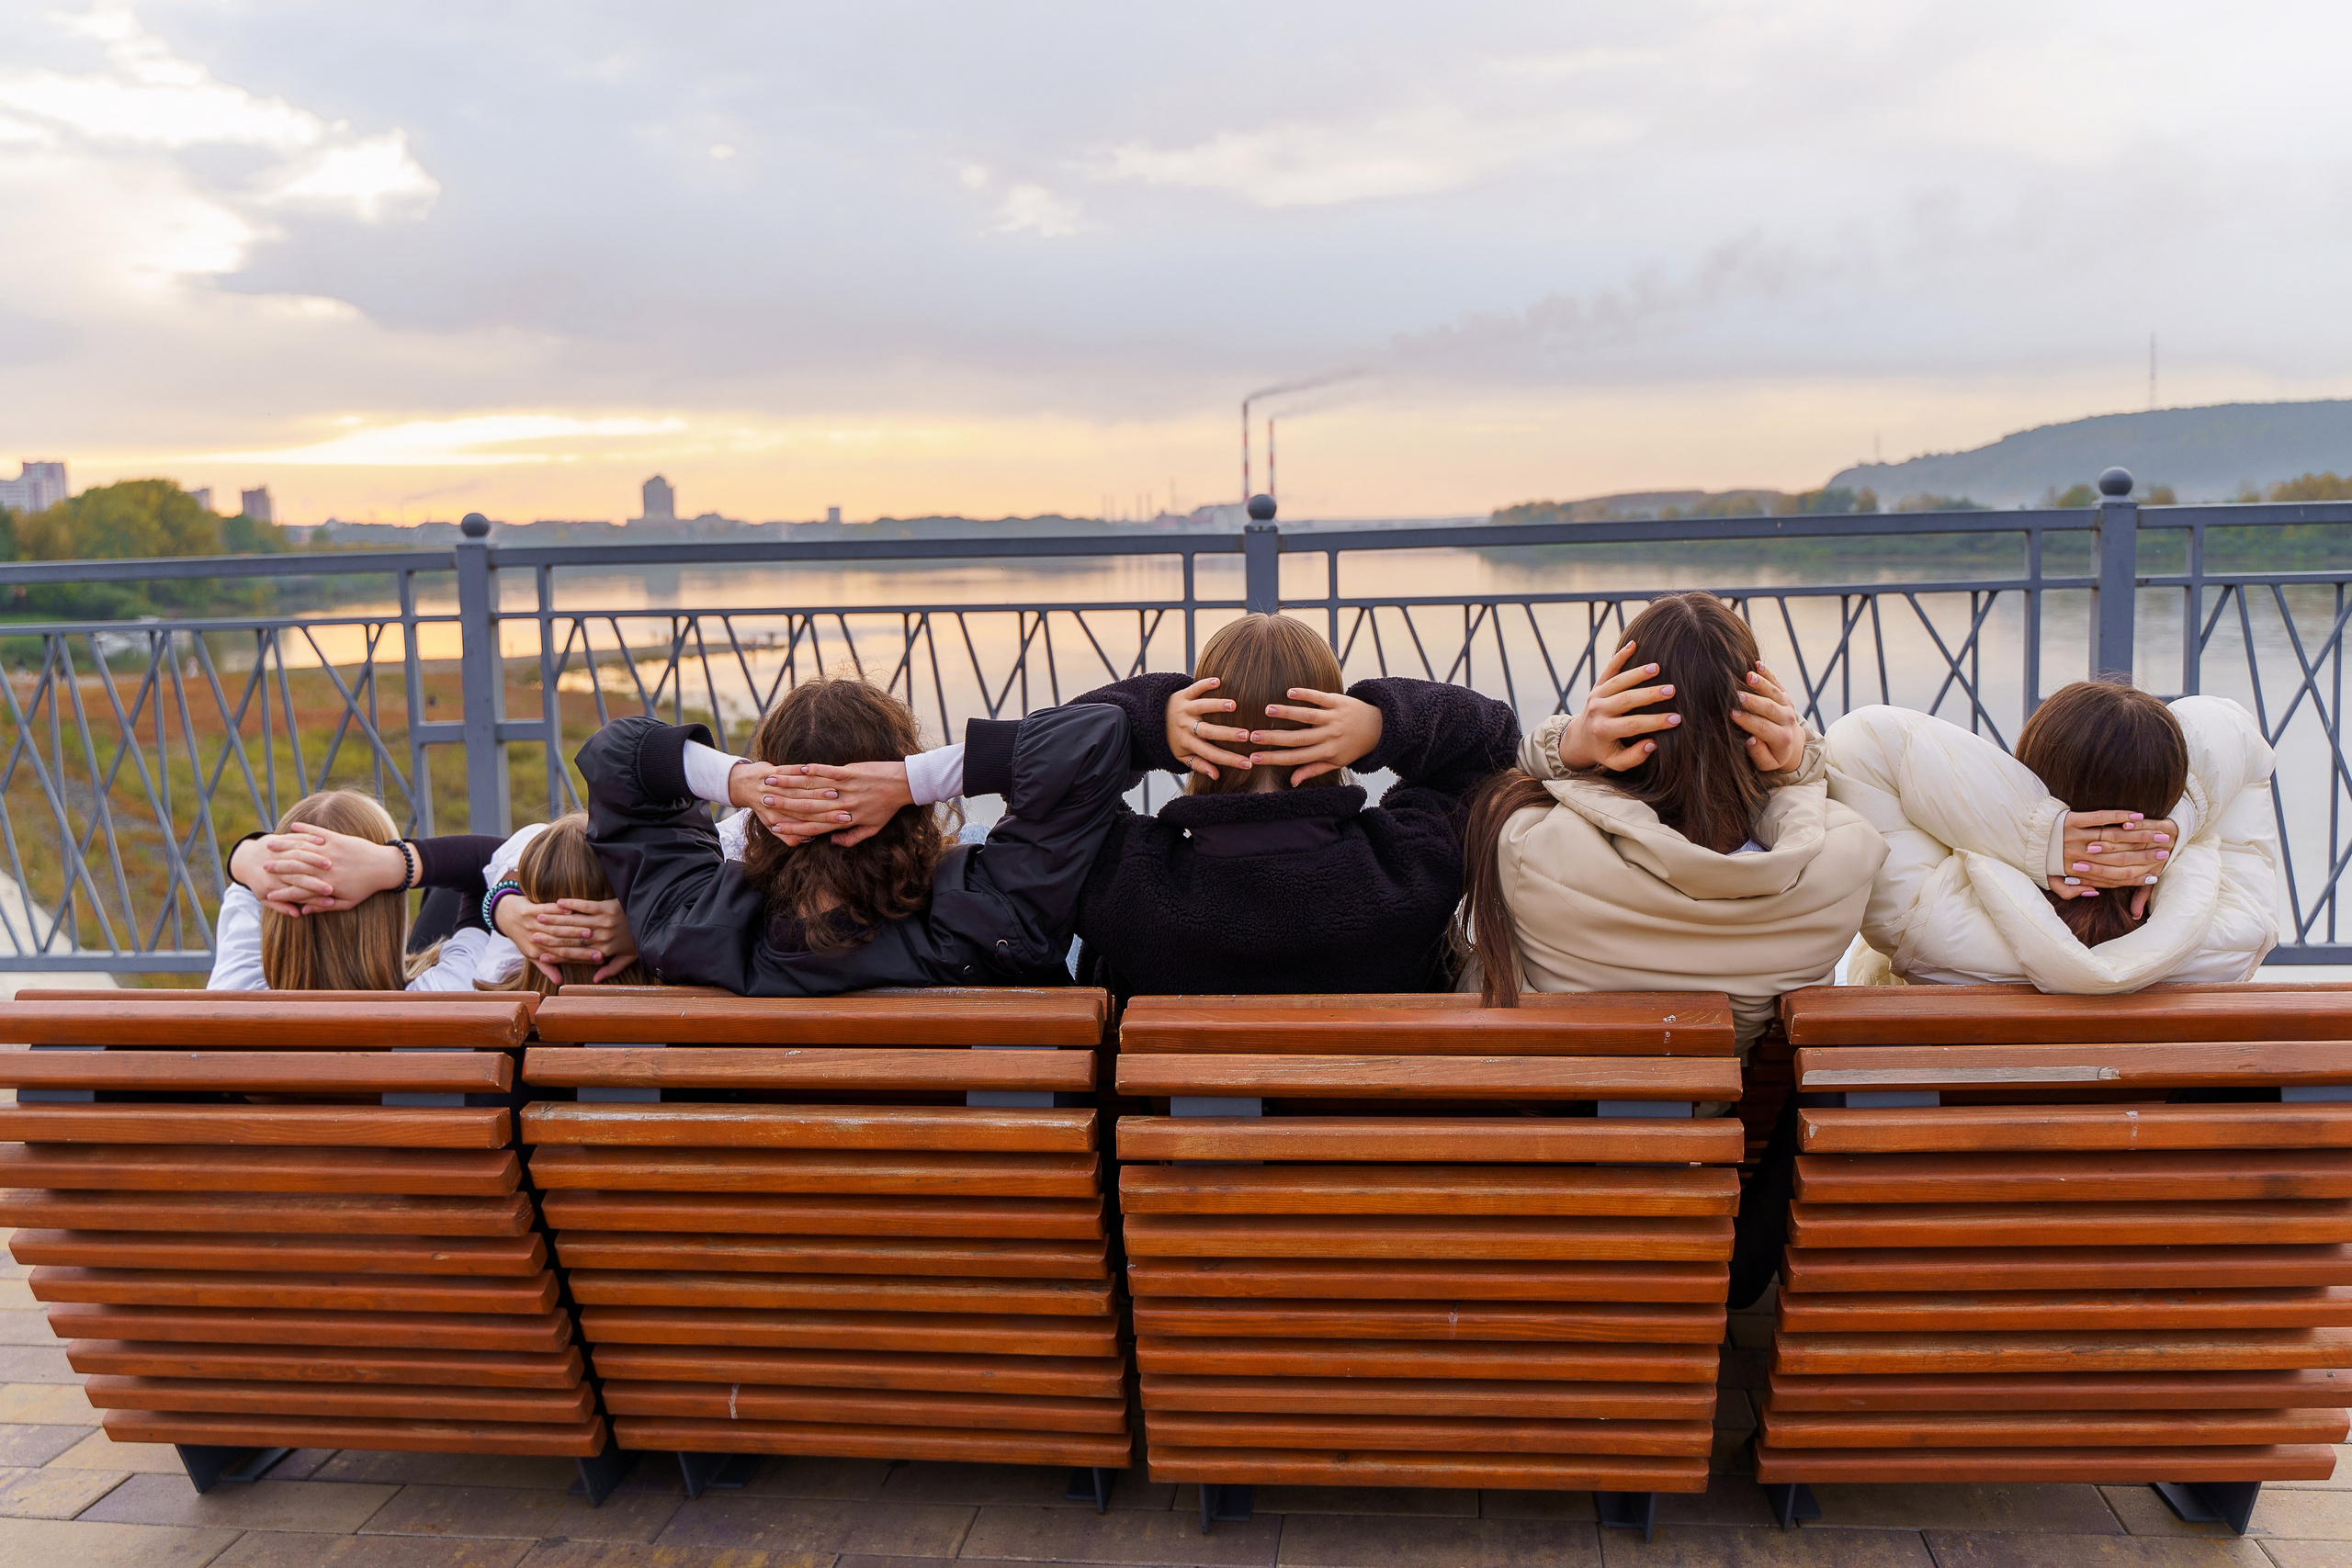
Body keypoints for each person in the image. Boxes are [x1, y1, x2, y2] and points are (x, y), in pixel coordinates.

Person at [1455, 592, 1886, 1047]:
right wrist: (1799, 761)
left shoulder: (1530, 844)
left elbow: (1508, 772)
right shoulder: (1843, 863)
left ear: (1621, 715)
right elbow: (1812, 795)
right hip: (1722, 1110)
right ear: (1761, 714)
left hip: (1569, 1105)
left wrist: (1571, 741)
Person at [577, 671, 1131, 994]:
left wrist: (740, 781)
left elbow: (618, 754)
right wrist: (914, 781)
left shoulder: (690, 929)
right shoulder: (986, 920)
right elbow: (1092, 737)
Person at [1059, 614, 1519, 999]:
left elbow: (1048, 770)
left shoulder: (1128, 876)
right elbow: (1493, 743)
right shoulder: (1405, 867)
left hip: (1170, 1109)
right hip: (1376, 1107)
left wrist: (1149, 723)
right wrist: (1381, 724)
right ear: (1333, 722)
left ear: (1201, 722)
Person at [1823, 680, 2278, 990]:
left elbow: (1861, 742)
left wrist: (2034, 835)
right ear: (2174, 785)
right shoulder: (2233, 931)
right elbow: (2237, 733)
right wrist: (2169, 829)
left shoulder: (1932, 923)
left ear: (2022, 779)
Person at [216, 796, 638, 989]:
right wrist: (393, 866)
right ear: (387, 901)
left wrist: (249, 858)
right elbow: (490, 865)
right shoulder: (445, 994)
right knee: (445, 897)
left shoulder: (237, 991)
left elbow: (246, 885)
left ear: (271, 898)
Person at [476, 814, 654, 993]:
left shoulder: (495, 978)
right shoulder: (678, 976)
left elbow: (465, 862)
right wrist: (650, 925)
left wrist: (499, 904)